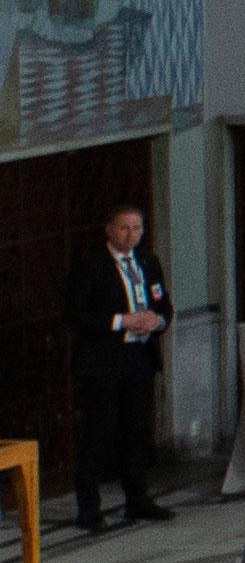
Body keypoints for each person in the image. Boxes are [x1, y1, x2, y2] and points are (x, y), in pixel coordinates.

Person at [58, 200, 171, 534]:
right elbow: (76, 315)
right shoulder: (91, 265)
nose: (131, 235)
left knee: (137, 431)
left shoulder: (148, 262)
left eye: (137, 228)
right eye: (124, 228)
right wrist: (123, 320)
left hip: (140, 358)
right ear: (109, 229)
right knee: (99, 433)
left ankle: (138, 497)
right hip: (103, 362)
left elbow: (163, 302)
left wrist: (157, 319)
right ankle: (89, 509)